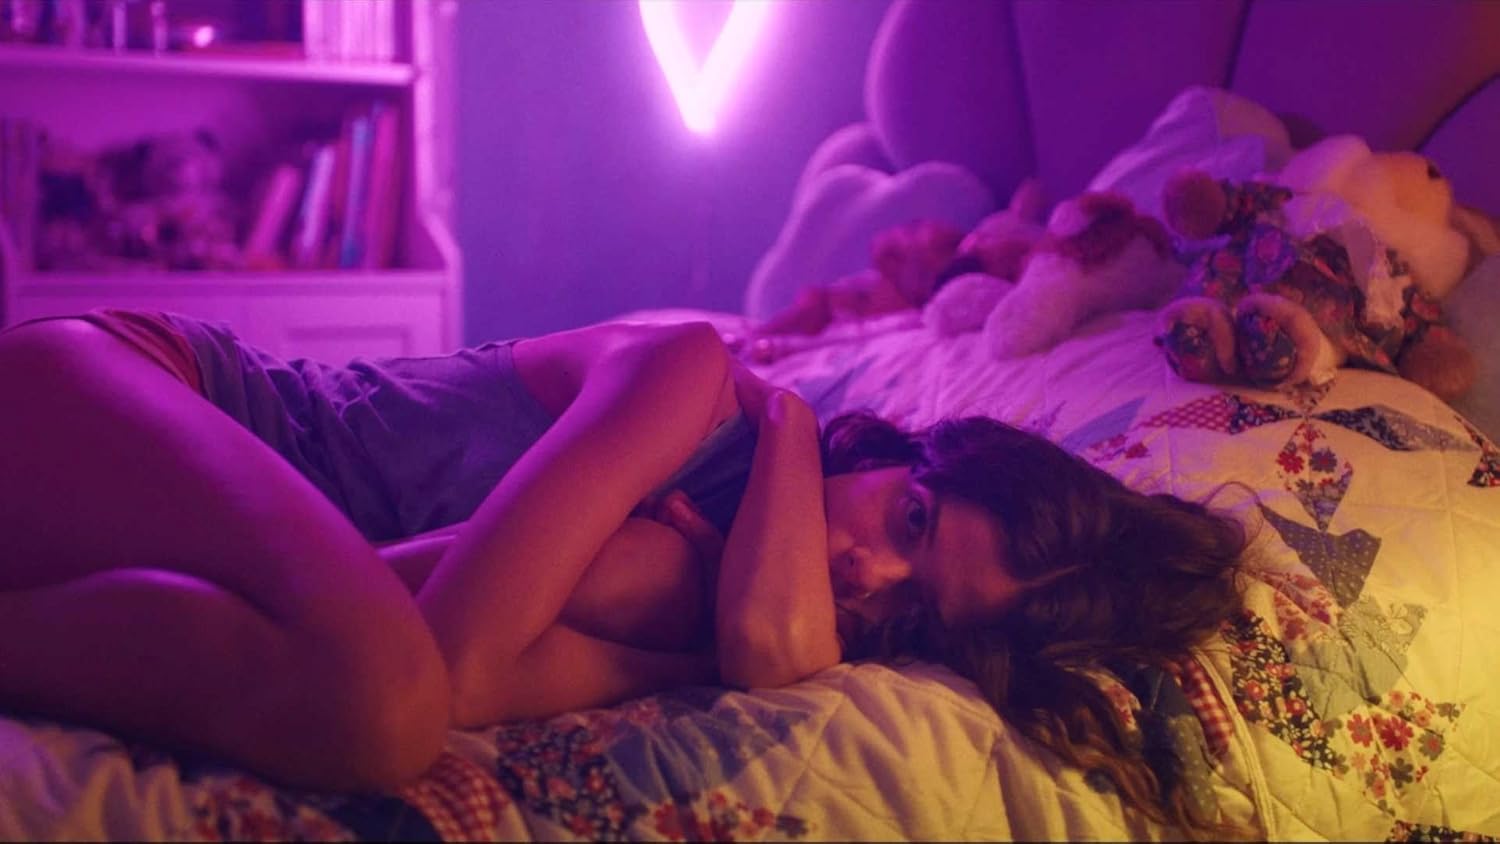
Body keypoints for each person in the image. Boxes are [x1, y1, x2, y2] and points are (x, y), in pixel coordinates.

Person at [0, 308, 1247, 833]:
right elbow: (451, 659)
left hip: (117, 552)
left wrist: (694, 640)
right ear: (886, 452)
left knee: (382, 702)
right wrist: (791, 418)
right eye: (910, 517)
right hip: (133, 394)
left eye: (913, 604)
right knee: (385, 707)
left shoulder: (690, 577)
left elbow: (480, 676)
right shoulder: (695, 381)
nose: (865, 566)